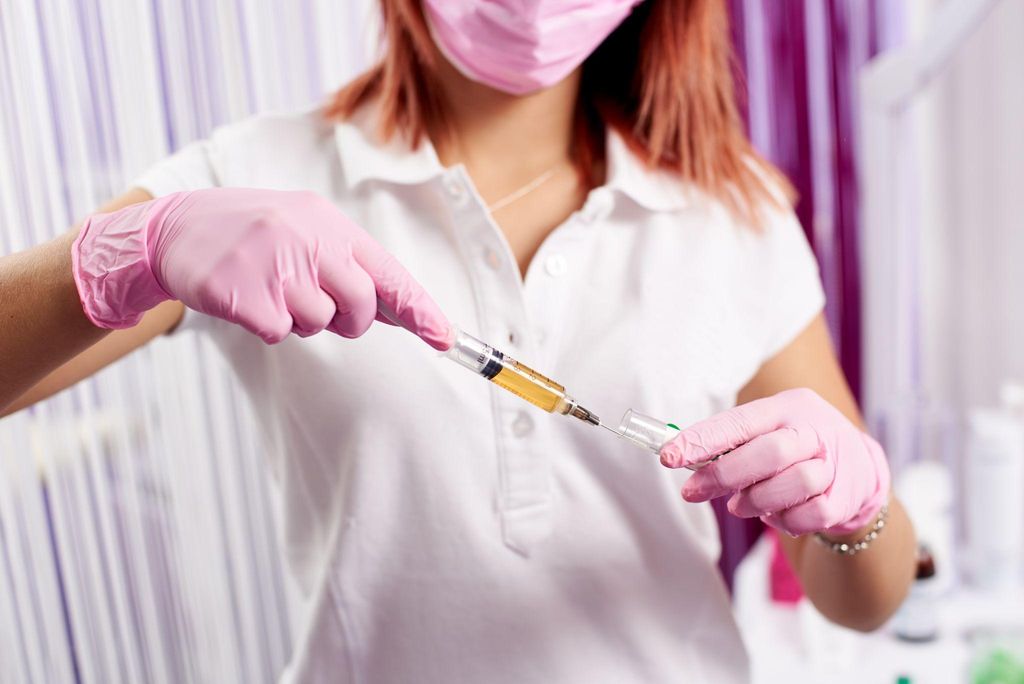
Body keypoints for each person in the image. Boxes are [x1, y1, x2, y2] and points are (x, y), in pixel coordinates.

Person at [0, 0, 916, 681]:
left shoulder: (731, 216)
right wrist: (139, 249)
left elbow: (866, 604)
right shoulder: (255, 177)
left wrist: (859, 504)